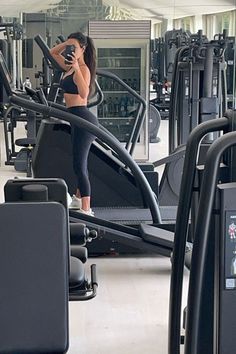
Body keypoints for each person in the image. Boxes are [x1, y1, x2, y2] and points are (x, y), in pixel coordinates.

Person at [50, 32, 98, 215]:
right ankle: (78, 200)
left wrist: (77, 66)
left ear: (83, 49)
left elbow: (84, 94)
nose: (70, 50)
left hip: (83, 118)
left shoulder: (83, 69)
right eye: (70, 47)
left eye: (75, 47)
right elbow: (53, 53)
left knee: (79, 164)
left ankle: (87, 210)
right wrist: (67, 46)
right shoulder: (68, 66)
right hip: (74, 118)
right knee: (78, 163)